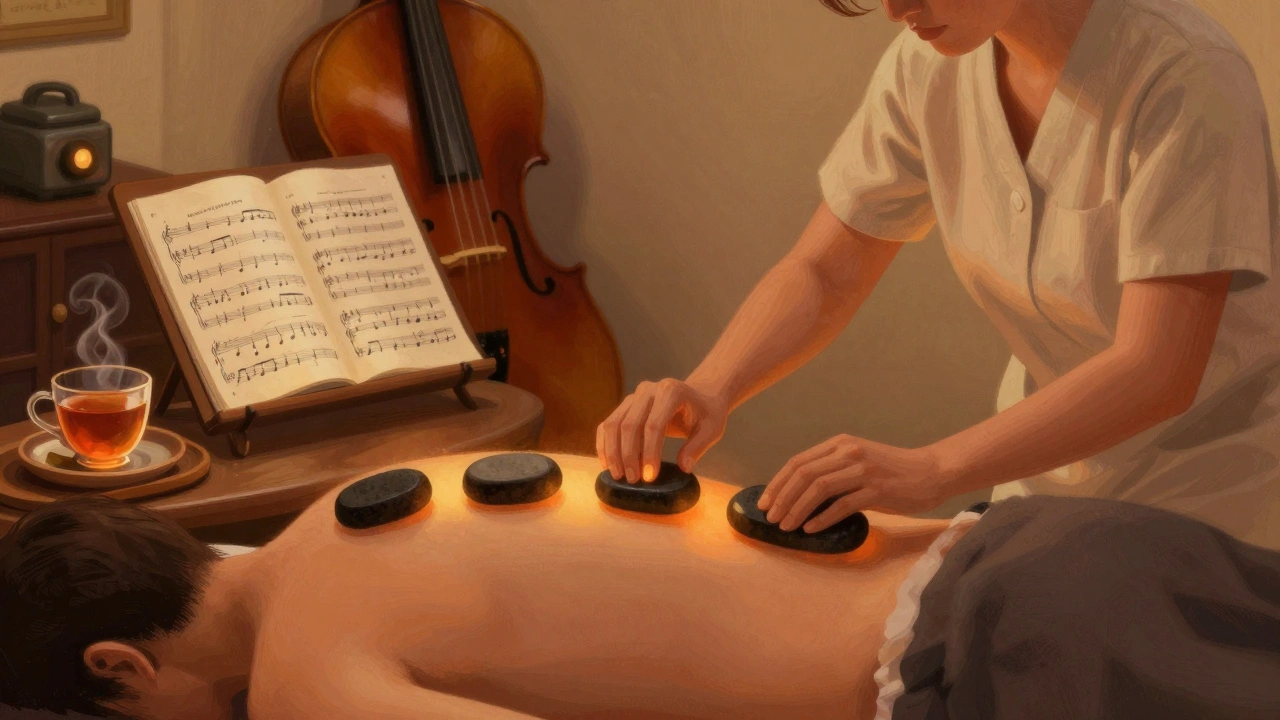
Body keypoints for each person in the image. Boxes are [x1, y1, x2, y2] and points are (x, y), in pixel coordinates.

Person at [596, 0, 1280, 550]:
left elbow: (1157, 369)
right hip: (1044, 500)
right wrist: (713, 385)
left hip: (1214, 506)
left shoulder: (1186, 74)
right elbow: (827, 270)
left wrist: (933, 471)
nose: (896, 9)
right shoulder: (928, 70)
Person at [2, 453, 1278, 720]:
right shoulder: (348, 503)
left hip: (1017, 667)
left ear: (120, 666)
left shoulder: (301, 680)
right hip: (1048, 549)